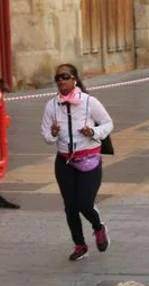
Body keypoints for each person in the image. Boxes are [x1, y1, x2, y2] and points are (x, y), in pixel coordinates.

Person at [41, 63, 115, 261]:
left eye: (65, 77)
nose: (61, 81)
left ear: (74, 79)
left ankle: (98, 227)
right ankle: (80, 245)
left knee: (84, 202)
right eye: (57, 78)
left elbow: (108, 123)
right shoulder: (51, 105)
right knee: (70, 206)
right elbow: (46, 135)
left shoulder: (89, 102)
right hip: (64, 161)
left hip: (89, 159)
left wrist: (94, 132)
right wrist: (53, 134)